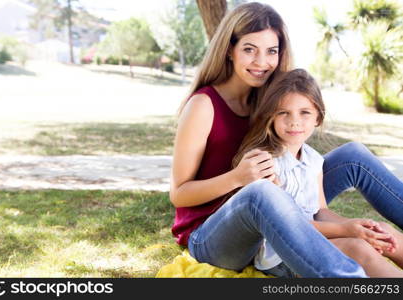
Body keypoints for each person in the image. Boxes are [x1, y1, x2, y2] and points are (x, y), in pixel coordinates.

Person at [170, 2, 403, 278]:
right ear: (229, 51)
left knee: (353, 156)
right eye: (249, 49)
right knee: (261, 193)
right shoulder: (203, 105)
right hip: (214, 234)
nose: (261, 62)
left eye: (271, 51)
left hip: (274, 210)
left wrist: (356, 226)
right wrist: (238, 178)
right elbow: (179, 193)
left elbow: (303, 182)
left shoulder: (272, 99)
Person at [239, 69, 403, 278]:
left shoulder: (313, 160)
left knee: (381, 230)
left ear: (318, 117)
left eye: (304, 112)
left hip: (314, 239)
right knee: (358, 248)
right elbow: (290, 228)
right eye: (283, 112)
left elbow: (321, 211)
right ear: (271, 116)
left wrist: (358, 225)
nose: (294, 121)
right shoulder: (266, 164)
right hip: (281, 255)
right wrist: (347, 230)